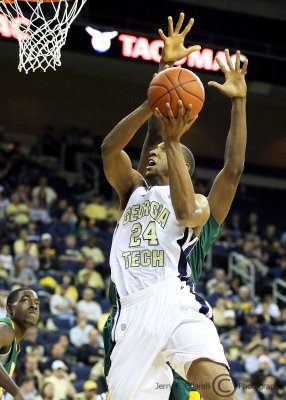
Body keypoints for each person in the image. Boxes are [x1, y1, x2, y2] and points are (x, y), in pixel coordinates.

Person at [103, 12, 248, 400]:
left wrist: (239, 103)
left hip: (174, 297)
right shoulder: (133, 188)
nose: (147, 157)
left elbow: (231, 172)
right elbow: (118, 146)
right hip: (131, 310)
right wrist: (162, 79)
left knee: (220, 388)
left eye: (163, 153)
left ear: (184, 164)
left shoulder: (199, 204)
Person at [0, 288, 40, 400]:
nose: (34, 306)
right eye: (26, 300)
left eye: (37, 303)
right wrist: (17, 393)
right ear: (10, 308)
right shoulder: (4, 328)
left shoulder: (15, 343)